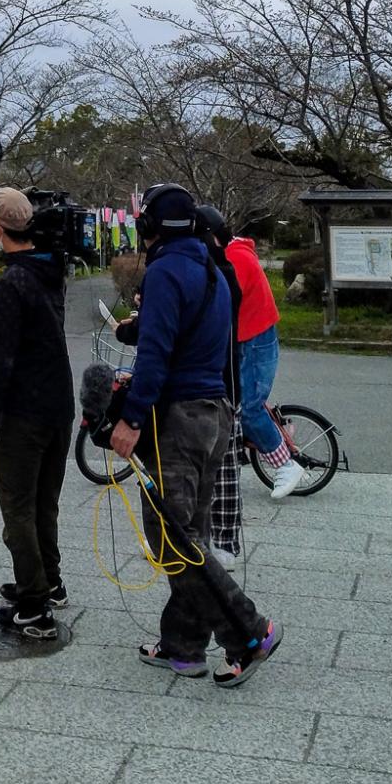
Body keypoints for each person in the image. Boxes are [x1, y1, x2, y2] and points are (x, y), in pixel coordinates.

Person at [109, 183, 281, 688]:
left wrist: (131, 417)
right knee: (192, 537)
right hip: (216, 416)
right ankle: (183, 647)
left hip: (178, 419)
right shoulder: (215, 269)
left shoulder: (164, 271)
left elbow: (157, 351)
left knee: (173, 542)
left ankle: (249, 631)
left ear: (149, 228)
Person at [0, 186, 75, 641]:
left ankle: (33, 606)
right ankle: (49, 580)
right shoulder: (51, 270)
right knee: (43, 501)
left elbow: (0, 357)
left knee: (17, 507)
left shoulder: (12, 282)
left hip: (25, 412)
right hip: (59, 407)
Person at [222, 223, 307, 500]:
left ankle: (286, 464)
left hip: (256, 340)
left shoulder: (236, 258)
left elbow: (221, 299)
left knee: (249, 407)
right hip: (245, 338)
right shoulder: (232, 251)